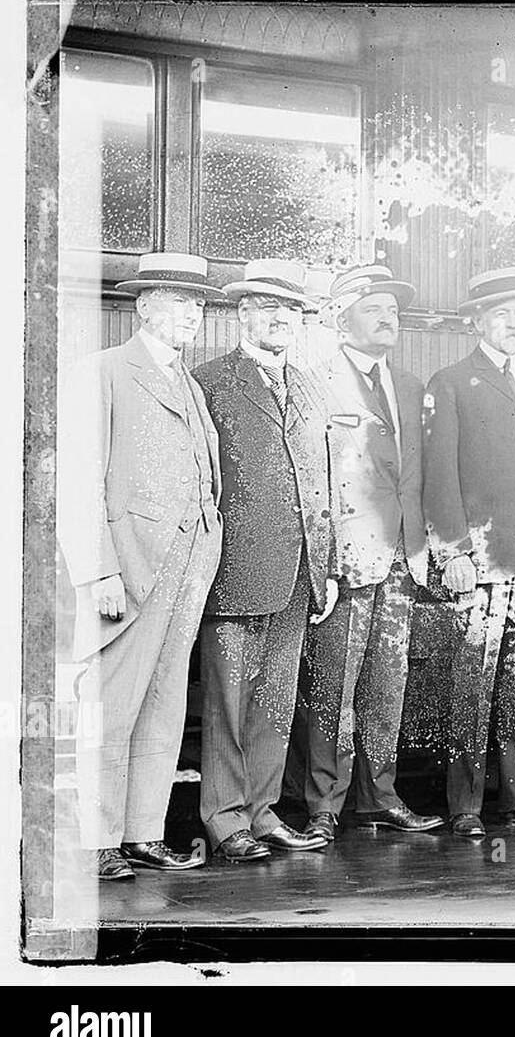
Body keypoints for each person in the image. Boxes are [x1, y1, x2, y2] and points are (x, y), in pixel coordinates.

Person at [58, 252, 226, 880]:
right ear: (145, 305)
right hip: (130, 567)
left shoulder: (188, 381)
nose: (192, 314)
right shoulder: (103, 372)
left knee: (162, 703)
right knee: (114, 701)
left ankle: (142, 832)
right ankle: (97, 838)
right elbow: (79, 482)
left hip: (188, 565)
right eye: (179, 302)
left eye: (199, 304)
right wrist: (98, 572)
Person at [192, 259, 337, 862]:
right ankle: (224, 818)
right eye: (269, 306)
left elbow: (320, 481)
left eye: (293, 309)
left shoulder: (308, 385)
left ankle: (262, 808)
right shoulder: (209, 381)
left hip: (300, 573)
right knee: (228, 702)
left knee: (278, 699)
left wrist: (324, 566)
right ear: (241, 312)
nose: (282, 317)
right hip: (235, 572)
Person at [424, 268, 515, 837]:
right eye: (504, 315)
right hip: (478, 562)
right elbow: (439, 478)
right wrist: (454, 551)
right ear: (477, 321)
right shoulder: (453, 381)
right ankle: (464, 805)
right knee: (473, 682)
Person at [300, 265, 443, 841]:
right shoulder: (315, 382)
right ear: (341, 319)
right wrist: (326, 563)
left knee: (388, 683)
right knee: (333, 687)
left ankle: (379, 796)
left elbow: (419, 476)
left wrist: (426, 547)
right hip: (345, 564)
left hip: (401, 558)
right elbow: (314, 479)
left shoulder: (410, 387)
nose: (389, 319)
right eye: (374, 309)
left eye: (394, 311)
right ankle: (324, 806)